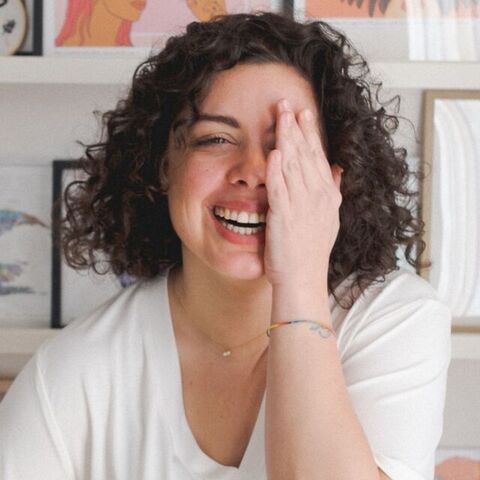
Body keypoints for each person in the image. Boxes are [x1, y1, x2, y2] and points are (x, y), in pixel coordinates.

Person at [0, 11, 451, 480]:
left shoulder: (396, 321)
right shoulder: (69, 372)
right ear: (162, 166)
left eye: (285, 146)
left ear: (334, 178)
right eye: (215, 139)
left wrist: (299, 281)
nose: (252, 171)